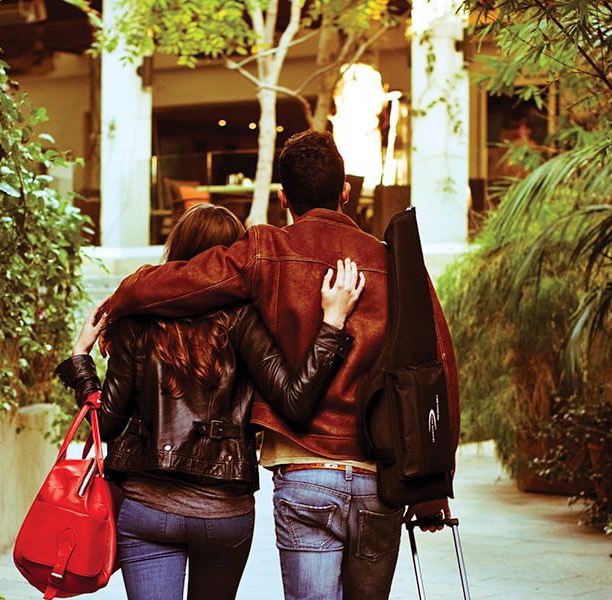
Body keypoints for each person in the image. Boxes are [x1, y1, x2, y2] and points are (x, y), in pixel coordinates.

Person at [98, 131, 460, 600]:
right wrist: (431, 489)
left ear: (283, 197)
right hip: (379, 473)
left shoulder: (264, 250)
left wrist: (121, 299)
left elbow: (183, 282)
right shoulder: (393, 263)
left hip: (303, 469)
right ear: (345, 191)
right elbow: (439, 370)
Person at [54, 203, 368, 600]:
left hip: (148, 508)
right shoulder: (244, 320)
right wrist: (332, 324)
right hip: (223, 515)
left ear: (179, 250)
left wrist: (81, 358)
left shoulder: (139, 319)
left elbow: (108, 422)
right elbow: (295, 401)